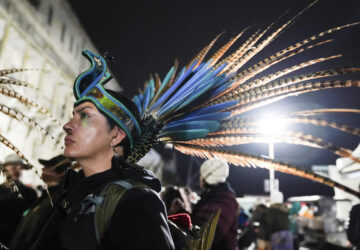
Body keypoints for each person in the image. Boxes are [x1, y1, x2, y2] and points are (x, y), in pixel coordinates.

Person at [28, 50, 174, 250]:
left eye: (85, 116)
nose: (68, 125)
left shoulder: (137, 202)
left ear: (116, 135)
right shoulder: (72, 191)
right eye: (73, 115)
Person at [11, 154, 71, 250]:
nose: (43, 169)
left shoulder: (58, 198)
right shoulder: (47, 195)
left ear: (62, 173)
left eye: (48, 167)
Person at [191, 158, 239, 250]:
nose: (200, 178)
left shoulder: (223, 200)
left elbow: (205, 236)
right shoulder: (219, 198)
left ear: (206, 177)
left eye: (201, 174)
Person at [0, 154, 37, 247]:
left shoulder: (29, 193)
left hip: (18, 240)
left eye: (18, 167)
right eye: (12, 167)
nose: (16, 170)